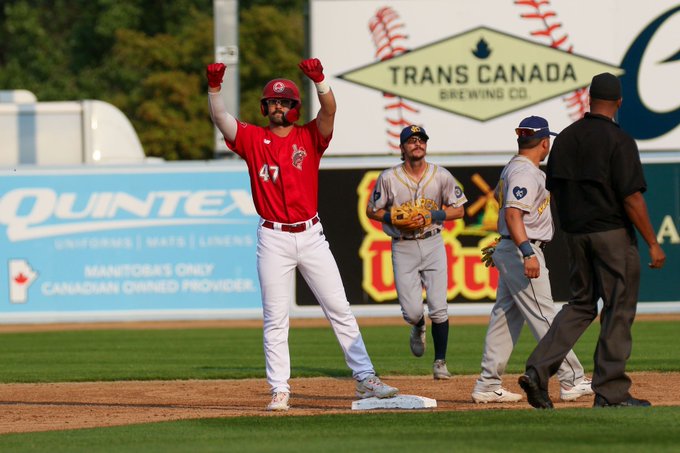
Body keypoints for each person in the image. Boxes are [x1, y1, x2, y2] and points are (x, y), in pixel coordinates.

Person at [206, 59, 398, 412]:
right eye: (273, 102)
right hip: (273, 236)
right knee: (275, 318)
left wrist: (321, 82)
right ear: (265, 107)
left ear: (295, 107)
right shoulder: (252, 138)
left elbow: (330, 111)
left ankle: (366, 378)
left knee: (339, 308)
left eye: (285, 102)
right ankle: (280, 389)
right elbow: (221, 119)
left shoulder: (308, 136)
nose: (278, 106)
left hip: (310, 233)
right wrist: (214, 89)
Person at [518, 73, 666, 409]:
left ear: (588, 98)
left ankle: (538, 372)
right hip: (611, 234)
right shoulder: (619, 140)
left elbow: (553, 191)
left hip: (576, 235)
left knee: (581, 306)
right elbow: (631, 198)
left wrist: (569, 230)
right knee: (618, 307)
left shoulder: (567, 138)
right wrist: (653, 242)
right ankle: (611, 392)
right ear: (619, 102)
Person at [471, 116, 593, 404]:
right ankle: (571, 378)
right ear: (544, 142)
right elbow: (514, 215)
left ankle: (488, 383)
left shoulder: (520, 168)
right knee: (545, 315)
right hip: (522, 249)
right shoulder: (524, 172)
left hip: (513, 247)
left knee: (504, 319)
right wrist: (526, 251)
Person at [366, 125, 467, 380]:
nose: (417, 144)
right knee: (411, 311)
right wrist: (393, 217)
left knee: (439, 307)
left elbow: (459, 210)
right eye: (411, 141)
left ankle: (440, 362)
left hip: (433, 241)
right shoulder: (389, 178)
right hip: (403, 244)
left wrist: (433, 214)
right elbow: (372, 210)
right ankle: (418, 325)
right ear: (402, 148)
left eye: (420, 140)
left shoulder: (441, 175)